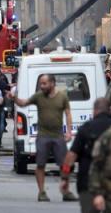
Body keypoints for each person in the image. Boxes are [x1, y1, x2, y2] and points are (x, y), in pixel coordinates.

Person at [10, 73, 78, 202]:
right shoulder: (39, 96)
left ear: (52, 83)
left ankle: (66, 191)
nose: (42, 86)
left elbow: (68, 114)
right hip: (43, 136)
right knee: (40, 165)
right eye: (41, 83)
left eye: (44, 83)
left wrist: (69, 132)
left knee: (65, 165)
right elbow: (24, 103)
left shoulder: (62, 96)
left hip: (58, 136)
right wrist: (15, 98)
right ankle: (41, 192)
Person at [61, 97, 111, 213]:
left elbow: (71, 155)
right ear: (110, 110)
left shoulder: (86, 128)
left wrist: (65, 177)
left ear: (94, 111)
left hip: (87, 183)